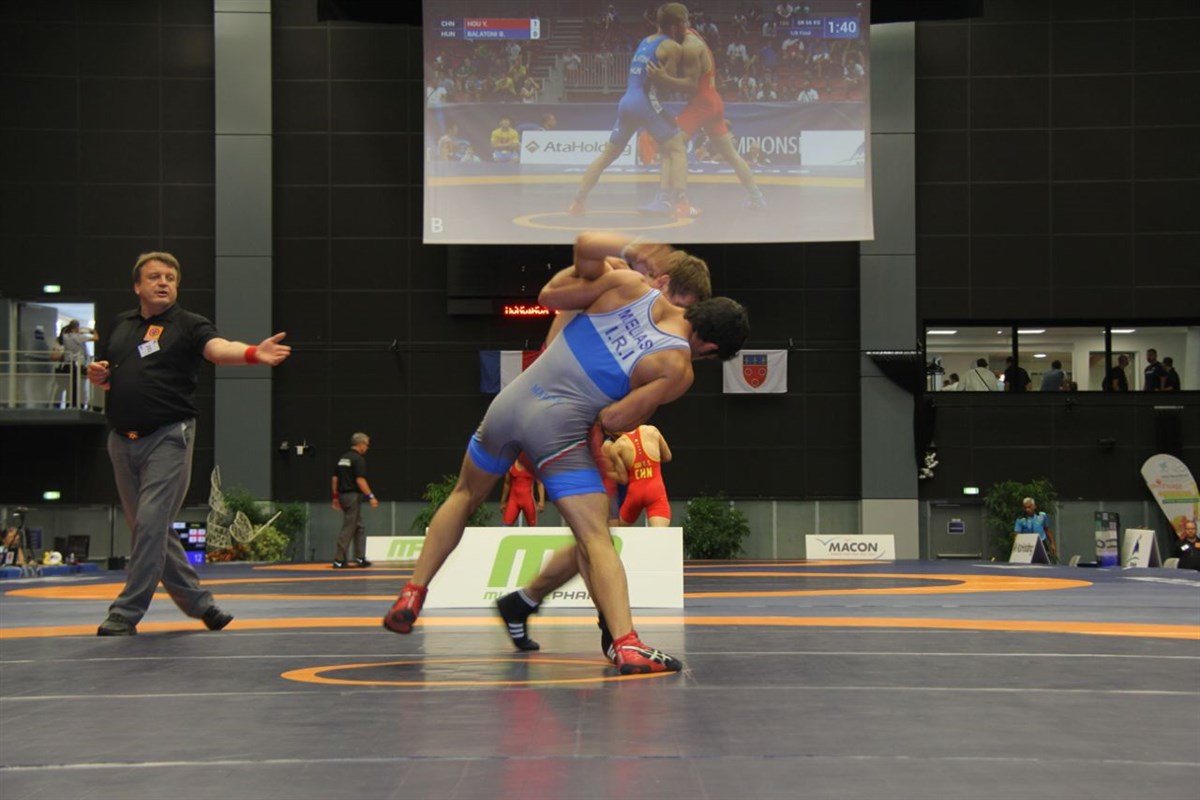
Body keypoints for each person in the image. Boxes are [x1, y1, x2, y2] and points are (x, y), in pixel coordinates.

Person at [382, 230, 749, 675]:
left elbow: (583, 249)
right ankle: (626, 644)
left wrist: (631, 250)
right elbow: (614, 420)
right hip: (559, 433)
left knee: (463, 495)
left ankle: (413, 592)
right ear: (710, 347)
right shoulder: (677, 367)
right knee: (596, 538)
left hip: (511, 403)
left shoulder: (629, 284)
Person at [88, 251, 291, 636]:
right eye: (155, 277)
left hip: (167, 437)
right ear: (137, 286)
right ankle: (200, 604)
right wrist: (97, 374)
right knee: (151, 529)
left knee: (150, 523)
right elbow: (109, 372)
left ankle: (125, 612)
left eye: (170, 278)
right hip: (121, 441)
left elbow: (218, 350)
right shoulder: (121, 325)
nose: (163, 282)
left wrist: (253, 353)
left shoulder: (188, 324)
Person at [567, 4, 690, 217]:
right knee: (677, 148)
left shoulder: (646, 41)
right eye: (685, 22)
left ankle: (578, 202)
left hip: (627, 101)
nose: (686, 26)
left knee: (607, 156)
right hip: (646, 102)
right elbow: (666, 83)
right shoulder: (672, 47)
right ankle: (682, 203)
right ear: (675, 25)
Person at [645, 19, 767, 212]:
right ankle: (757, 197)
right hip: (712, 100)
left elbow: (690, 84)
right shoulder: (693, 37)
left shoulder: (690, 46)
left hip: (702, 101)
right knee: (731, 155)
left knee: (670, 146)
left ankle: (667, 199)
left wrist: (663, 77)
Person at [611, 424, 673, 526]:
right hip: (655, 490)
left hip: (634, 494)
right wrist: (652, 462)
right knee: (660, 534)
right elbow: (667, 457)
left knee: (619, 531)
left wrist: (605, 474)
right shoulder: (652, 430)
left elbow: (623, 479)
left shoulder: (616, 447)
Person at [331, 432, 378, 568]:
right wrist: (371, 496)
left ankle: (360, 558)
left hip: (343, 495)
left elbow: (335, 478)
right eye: (366, 444)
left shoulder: (343, 458)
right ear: (361, 444)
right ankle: (339, 559)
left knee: (359, 526)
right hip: (352, 496)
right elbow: (360, 480)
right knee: (349, 526)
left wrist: (335, 497)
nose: (367, 447)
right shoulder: (358, 459)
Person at [55, 320, 99, 408]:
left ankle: (61, 404)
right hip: (77, 365)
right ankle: (75, 405)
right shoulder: (79, 337)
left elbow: (60, 339)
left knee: (66, 386)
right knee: (77, 386)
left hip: (67, 364)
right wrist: (92, 330)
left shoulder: (65, 336)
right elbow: (96, 338)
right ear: (76, 328)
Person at [499, 455, 545, 526]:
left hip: (528, 501)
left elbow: (540, 483)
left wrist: (541, 502)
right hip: (513, 500)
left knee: (532, 527)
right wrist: (502, 502)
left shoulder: (533, 465)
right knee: (506, 525)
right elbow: (507, 484)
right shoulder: (511, 465)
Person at [1014, 497, 1056, 562]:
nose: (1027, 509)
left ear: (1034, 506)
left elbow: (1047, 529)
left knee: (1045, 562)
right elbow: (1017, 535)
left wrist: (1052, 543)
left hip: (1042, 543)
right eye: (1025, 508)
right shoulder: (1020, 519)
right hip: (1027, 545)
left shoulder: (1042, 515)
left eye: (1029, 507)